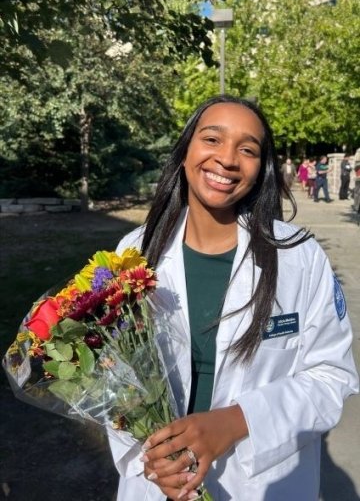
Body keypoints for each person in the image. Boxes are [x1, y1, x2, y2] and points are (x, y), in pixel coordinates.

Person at [108, 95, 359, 501]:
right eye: (212, 139)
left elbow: (331, 375)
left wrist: (239, 421)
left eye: (248, 149)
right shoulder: (135, 253)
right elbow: (112, 376)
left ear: (261, 169)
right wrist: (150, 459)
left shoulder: (297, 256)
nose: (227, 159)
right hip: (159, 480)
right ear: (186, 149)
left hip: (258, 483)